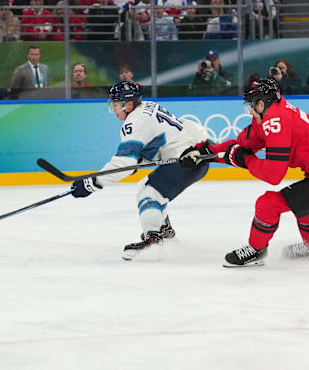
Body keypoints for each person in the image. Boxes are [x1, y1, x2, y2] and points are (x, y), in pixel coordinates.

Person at [180, 78, 309, 267]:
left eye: (251, 105)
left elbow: (273, 175)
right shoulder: (269, 114)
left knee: (268, 205)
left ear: (261, 103)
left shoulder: (275, 121)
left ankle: (256, 250)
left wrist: (241, 158)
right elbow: (241, 145)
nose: (249, 110)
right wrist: (206, 152)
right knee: (305, 207)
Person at [71, 81, 210, 260]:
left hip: (185, 161)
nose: (114, 109)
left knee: (149, 194)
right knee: (148, 187)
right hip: (192, 156)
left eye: (116, 104)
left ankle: (153, 240)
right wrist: (138, 160)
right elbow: (158, 142)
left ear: (128, 104)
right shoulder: (147, 107)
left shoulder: (135, 122)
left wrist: (92, 182)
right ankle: (164, 231)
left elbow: (123, 163)